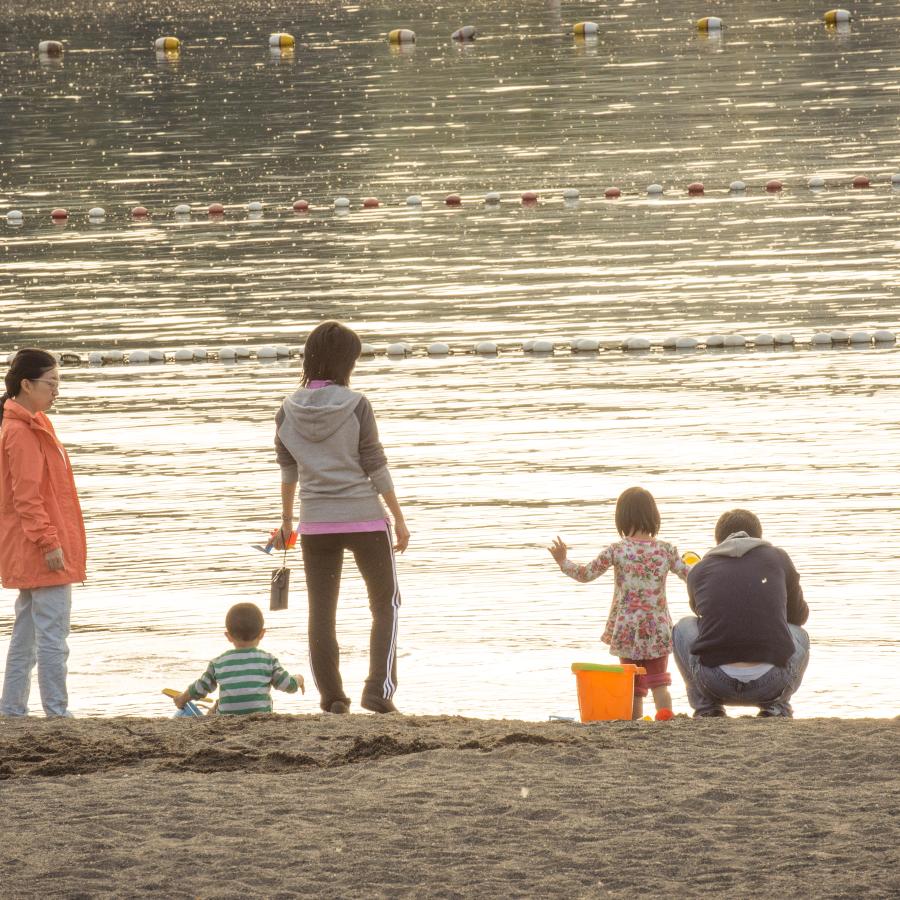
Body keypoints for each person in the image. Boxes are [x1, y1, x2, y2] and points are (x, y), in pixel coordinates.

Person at [272, 320, 409, 715]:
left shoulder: (286, 410)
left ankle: (332, 698)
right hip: (365, 519)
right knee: (386, 605)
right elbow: (374, 463)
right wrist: (398, 518)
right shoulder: (357, 404)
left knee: (321, 611)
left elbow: (288, 469)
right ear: (346, 362)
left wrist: (286, 522)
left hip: (316, 524)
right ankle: (377, 692)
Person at [549, 486, 690, 719]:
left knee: (633, 685)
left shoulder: (617, 550)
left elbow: (585, 574)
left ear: (621, 517)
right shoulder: (666, 550)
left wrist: (563, 562)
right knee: (659, 682)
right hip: (656, 627)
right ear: (654, 516)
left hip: (626, 628)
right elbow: (690, 575)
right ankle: (665, 720)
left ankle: (635, 723)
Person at [0, 349, 86, 718]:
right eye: (51, 384)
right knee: (52, 636)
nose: (56, 391)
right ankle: (56, 711)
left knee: (28, 633)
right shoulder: (20, 431)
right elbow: (27, 497)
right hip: (40, 546)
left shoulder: (33, 423)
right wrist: (50, 542)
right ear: (26, 384)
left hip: (30, 543)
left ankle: (12, 709)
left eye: (58, 384)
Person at [673, 509, 810, 718]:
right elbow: (799, 617)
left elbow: (701, 613)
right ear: (759, 538)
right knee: (799, 633)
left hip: (715, 681)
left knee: (683, 626)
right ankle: (776, 707)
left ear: (719, 541)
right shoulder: (779, 558)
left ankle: (706, 708)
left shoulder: (700, 570)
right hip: (772, 681)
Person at [172, 602, 304, 715]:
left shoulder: (218, 663)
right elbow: (289, 686)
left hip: (226, 721)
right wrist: (299, 679)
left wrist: (182, 699)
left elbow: (200, 688)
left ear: (228, 636)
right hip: (262, 720)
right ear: (262, 634)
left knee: (216, 708)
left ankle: (215, 709)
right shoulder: (269, 661)